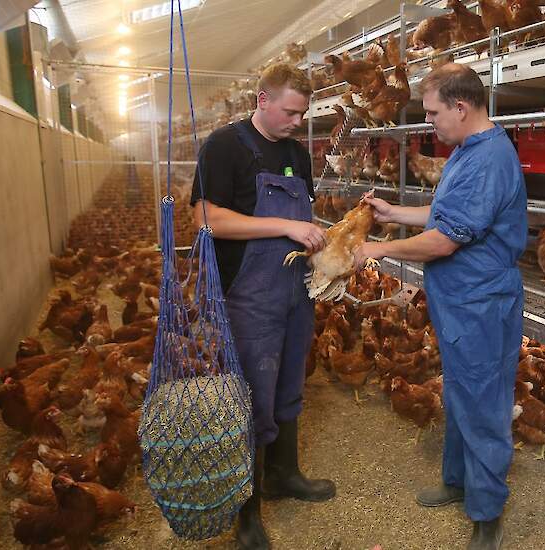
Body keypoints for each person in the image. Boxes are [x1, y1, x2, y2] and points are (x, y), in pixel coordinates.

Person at [354, 63, 527, 550]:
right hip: (460, 300)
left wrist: (380, 249)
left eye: (432, 113)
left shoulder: (490, 158)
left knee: (484, 404)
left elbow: (447, 239)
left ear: (460, 107)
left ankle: (487, 512)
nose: (429, 121)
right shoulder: (466, 151)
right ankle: (458, 482)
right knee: (459, 395)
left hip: (481, 302)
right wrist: (395, 213)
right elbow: (445, 212)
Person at [191, 62, 335, 550]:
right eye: (291, 111)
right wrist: (284, 227)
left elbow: (305, 216)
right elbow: (206, 217)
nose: (298, 121)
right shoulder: (224, 146)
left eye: (303, 113)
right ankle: (246, 511)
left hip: (294, 289)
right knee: (251, 395)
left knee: (291, 382)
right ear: (262, 101)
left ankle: (284, 474)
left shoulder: (297, 152)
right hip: (249, 294)